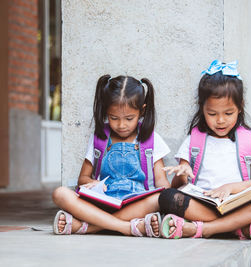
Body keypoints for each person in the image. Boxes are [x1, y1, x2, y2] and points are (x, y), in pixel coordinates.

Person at [159, 60, 251, 240]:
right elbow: (178, 186)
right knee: (167, 198)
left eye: (228, 113)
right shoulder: (194, 140)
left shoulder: (250, 139)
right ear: (202, 107)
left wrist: (230, 188)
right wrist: (183, 174)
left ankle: (203, 229)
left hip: (238, 204)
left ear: (240, 107)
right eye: (212, 114)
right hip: (203, 206)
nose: (220, 120)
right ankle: (237, 226)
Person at [52, 75, 171, 237]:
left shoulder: (151, 139)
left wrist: (166, 193)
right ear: (105, 111)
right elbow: (83, 178)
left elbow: (161, 181)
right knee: (60, 193)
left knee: (160, 199)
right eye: (114, 118)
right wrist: (93, 183)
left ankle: (89, 226)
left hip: (136, 204)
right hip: (104, 201)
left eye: (129, 118)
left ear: (142, 111)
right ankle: (129, 227)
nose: (121, 125)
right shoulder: (99, 139)